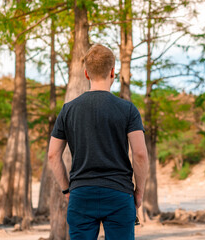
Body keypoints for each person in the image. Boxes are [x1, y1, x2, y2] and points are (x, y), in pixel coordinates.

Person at [48, 44, 149, 240]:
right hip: (119, 194)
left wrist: (67, 190)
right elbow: (140, 154)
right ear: (113, 72)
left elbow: (53, 155)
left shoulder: (68, 110)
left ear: (86, 73)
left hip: (81, 195)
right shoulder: (128, 110)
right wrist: (139, 192)